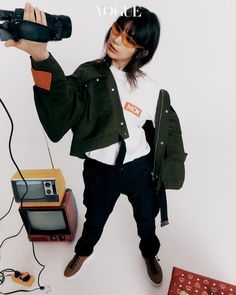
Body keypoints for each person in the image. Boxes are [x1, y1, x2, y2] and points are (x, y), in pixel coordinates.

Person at [5, 3, 187, 287]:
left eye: (129, 38)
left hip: (139, 166)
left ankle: (150, 254)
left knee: (146, 219)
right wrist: (41, 57)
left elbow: (167, 128)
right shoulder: (88, 75)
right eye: (117, 29)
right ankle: (83, 251)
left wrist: (168, 168)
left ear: (142, 50)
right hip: (101, 170)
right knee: (95, 218)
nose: (116, 39)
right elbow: (61, 107)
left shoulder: (151, 89)